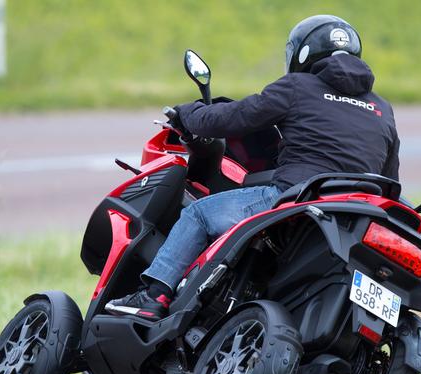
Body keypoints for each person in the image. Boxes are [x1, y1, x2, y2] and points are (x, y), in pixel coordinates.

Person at [105, 14, 400, 321]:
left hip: (295, 199)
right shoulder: (383, 109)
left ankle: (153, 298)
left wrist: (188, 113)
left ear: (303, 53)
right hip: (355, 218)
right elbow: (389, 177)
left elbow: (236, 117)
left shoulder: (297, 86)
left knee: (199, 213)